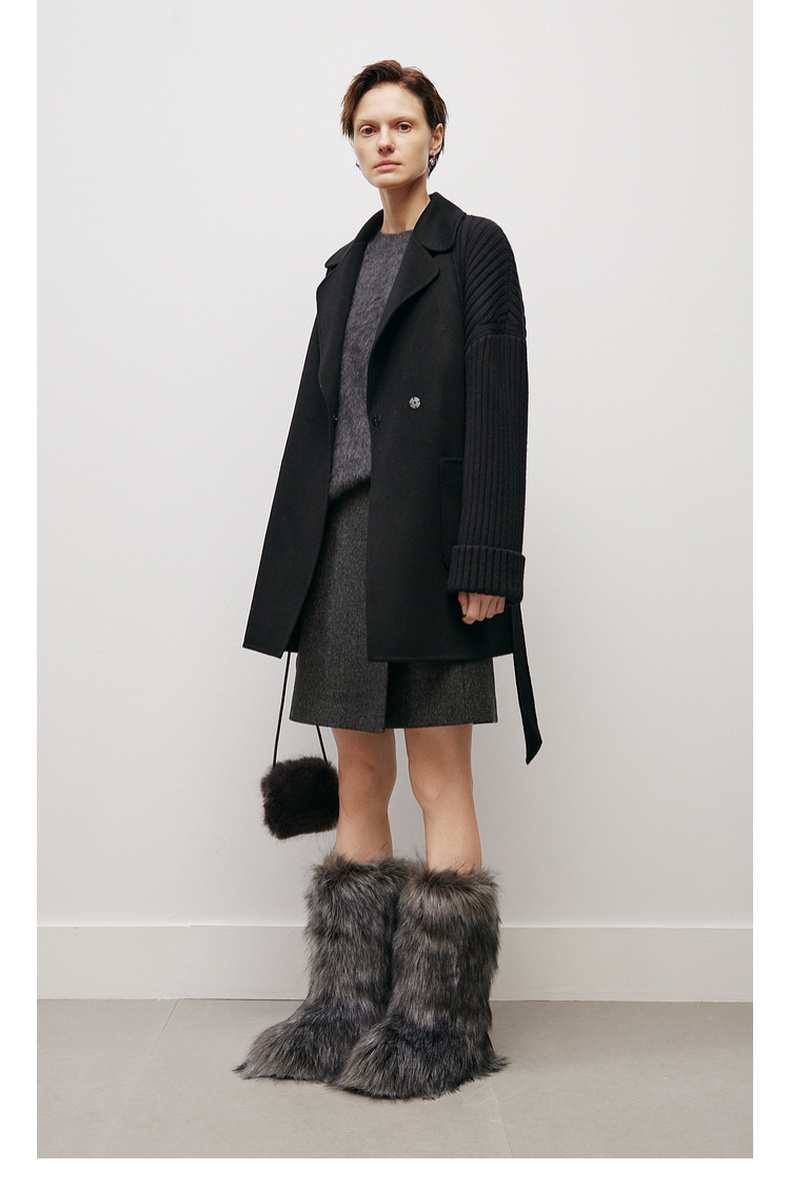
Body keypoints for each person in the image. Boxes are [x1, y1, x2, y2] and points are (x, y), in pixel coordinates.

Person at [235, 61, 541, 1100]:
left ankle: (441, 1023)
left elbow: (500, 402)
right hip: (341, 544)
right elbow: (315, 424)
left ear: (436, 136)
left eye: (402, 124)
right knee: (359, 774)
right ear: (353, 143)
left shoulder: (474, 247)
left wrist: (486, 558)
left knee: (439, 774)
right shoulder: (343, 266)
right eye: (367, 128)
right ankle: (344, 1010)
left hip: (432, 545)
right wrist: (290, 568)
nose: (384, 142)